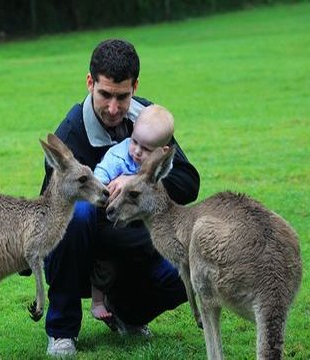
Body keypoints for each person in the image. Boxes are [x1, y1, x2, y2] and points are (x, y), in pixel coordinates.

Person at [32, 38, 200, 357]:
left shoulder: (149, 120)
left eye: (122, 97)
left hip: (130, 246)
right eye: (105, 94)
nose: (113, 108)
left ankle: (127, 313)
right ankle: (62, 330)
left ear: (135, 86)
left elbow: (188, 179)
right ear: (90, 83)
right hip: (82, 255)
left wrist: (137, 182)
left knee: (187, 265)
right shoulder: (71, 134)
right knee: (79, 214)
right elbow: (52, 214)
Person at [90, 104, 175, 321]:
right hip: (112, 223)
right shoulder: (118, 157)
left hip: (139, 229)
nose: (137, 151)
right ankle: (97, 300)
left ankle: (128, 314)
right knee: (104, 264)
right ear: (132, 129)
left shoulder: (158, 168)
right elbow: (98, 178)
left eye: (146, 149)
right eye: (135, 142)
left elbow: (179, 182)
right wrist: (108, 188)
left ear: (161, 153)